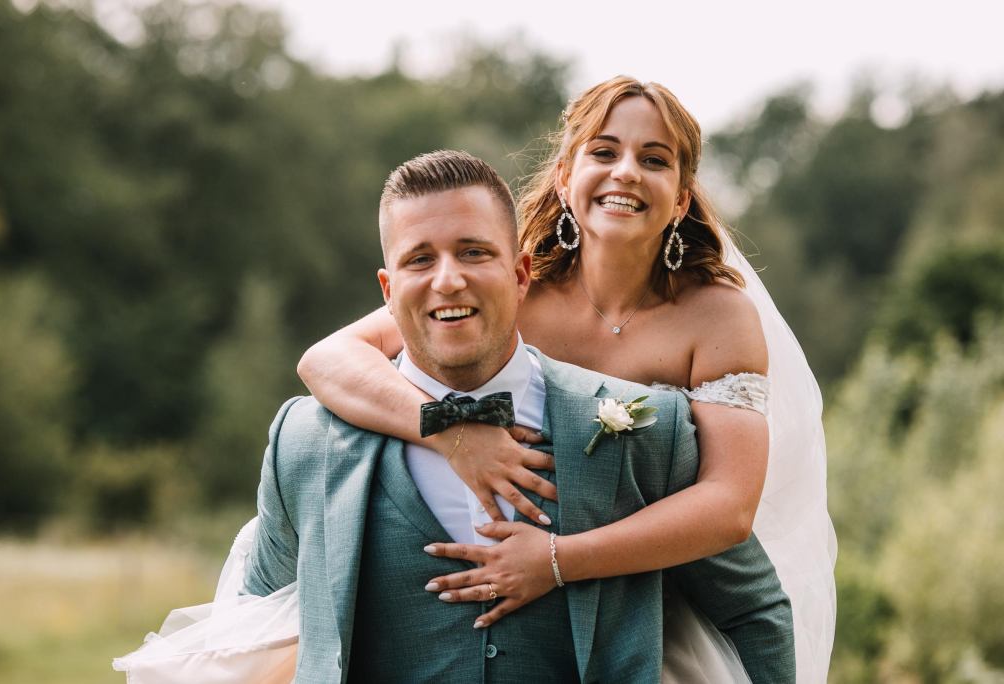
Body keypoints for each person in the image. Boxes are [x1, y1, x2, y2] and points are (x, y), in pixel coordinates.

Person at [116, 149, 795, 683]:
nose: (448, 279)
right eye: (420, 259)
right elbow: (254, 626)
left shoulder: (644, 431)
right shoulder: (304, 443)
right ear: (388, 290)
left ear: (521, 275)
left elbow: (752, 609)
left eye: (474, 252)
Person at [298, 77, 836, 681]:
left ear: (681, 200)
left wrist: (557, 561)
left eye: (654, 160)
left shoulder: (717, 317)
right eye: (604, 152)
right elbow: (327, 360)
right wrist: (451, 432)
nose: (626, 172)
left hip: (662, 597)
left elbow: (729, 508)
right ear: (564, 178)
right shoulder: (509, 290)